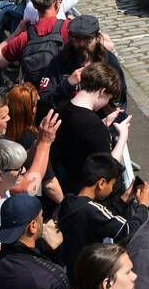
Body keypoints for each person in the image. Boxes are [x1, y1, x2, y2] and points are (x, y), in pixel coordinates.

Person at [56, 154, 149, 281]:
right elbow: (127, 229)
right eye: (112, 185)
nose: (112, 190)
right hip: (85, 275)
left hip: (69, 269)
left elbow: (102, 218)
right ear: (101, 183)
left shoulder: (69, 201)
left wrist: (122, 201)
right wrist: (143, 205)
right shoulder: (91, 210)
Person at [53, 62, 130, 196]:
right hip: (83, 192)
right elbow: (108, 169)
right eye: (108, 98)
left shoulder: (61, 108)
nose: (106, 103)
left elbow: (79, 138)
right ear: (103, 91)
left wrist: (104, 123)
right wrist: (123, 135)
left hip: (64, 181)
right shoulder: (95, 128)